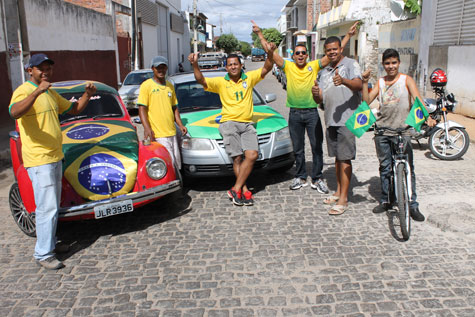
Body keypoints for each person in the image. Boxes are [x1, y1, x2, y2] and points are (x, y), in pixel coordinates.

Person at [9, 53, 97, 269]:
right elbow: (14, 112)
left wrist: (87, 95)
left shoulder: (51, 92)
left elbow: (73, 109)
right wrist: (37, 92)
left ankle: (49, 243)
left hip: (54, 156)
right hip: (39, 159)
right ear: (30, 71)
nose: (46, 72)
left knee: (52, 206)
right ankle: (43, 254)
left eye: (48, 68)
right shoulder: (24, 91)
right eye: (41, 68)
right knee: (46, 207)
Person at [252, 20, 358, 193]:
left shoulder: (313, 66)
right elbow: (270, 52)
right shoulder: (287, 67)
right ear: (293, 56)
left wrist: (348, 36)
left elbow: (334, 53)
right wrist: (259, 34)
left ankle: (317, 178)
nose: (300, 55)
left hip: (312, 114)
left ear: (307, 55)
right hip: (294, 114)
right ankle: (300, 176)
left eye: (303, 53)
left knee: (317, 148)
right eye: (297, 53)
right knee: (298, 148)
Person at [188, 44, 275, 206]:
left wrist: (270, 54)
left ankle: (235, 188)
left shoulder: (248, 78)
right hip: (229, 124)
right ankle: (244, 190)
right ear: (226, 67)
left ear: (241, 65)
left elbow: (266, 68)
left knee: (252, 156)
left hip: (247, 124)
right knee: (237, 159)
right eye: (230, 64)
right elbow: (201, 80)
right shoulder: (221, 82)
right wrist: (195, 64)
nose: (233, 66)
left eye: (236, 64)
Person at [361, 49, 435, 221]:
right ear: (383, 65)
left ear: (399, 63)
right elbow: (366, 102)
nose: (391, 66)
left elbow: (418, 100)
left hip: (403, 131)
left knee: (409, 169)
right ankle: (386, 200)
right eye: (387, 63)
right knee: (385, 168)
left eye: (394, 62)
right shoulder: (380, 82)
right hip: (383, 132)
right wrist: (365, 82)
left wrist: (428, 117)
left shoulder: (406, 80)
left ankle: (412, 204)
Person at [312, 36, 363, 215]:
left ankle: (344, 199)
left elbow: (358, 84)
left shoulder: (350, 64)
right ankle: (339, 191)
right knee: (337, 157)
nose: (332, 52)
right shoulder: (324, 71)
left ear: (341, 49)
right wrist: (316, 94)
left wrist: (344, 81)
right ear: (325, 52)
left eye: (335, 49)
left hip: (348, 119)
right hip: (331, 118)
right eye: (328, 50)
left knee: (345, 157)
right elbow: (321, 99)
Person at [137, 56, 187, 168]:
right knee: (168, 163)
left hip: (172, 132)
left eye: (163, 67)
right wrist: (147, 128)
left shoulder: (170, 86)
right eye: (158, 68)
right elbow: (142, 109)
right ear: (153, 69)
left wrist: (180, 125)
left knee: (177, 164)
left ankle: (178, 184)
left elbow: (174, 108)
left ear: (167, 68)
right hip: (158, 135)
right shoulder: (146, 86)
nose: (161, 70)